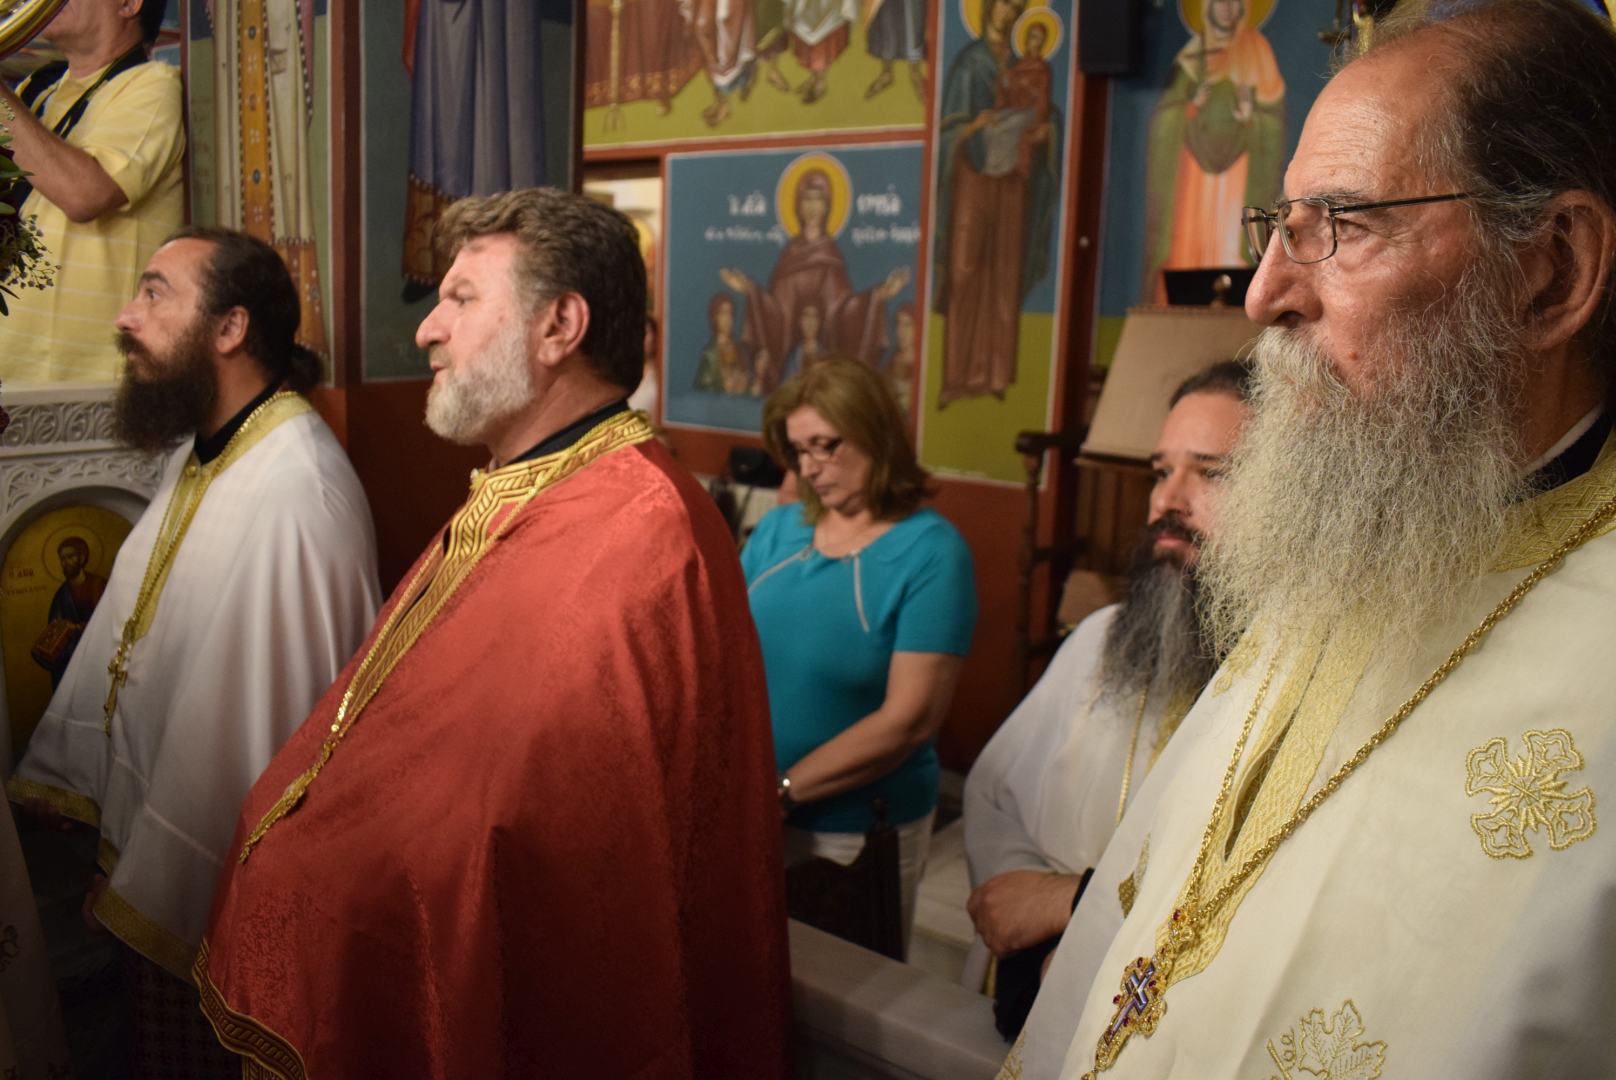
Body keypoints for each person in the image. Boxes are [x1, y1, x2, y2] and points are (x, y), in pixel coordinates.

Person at [1007, 2, 1616, 1076]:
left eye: (1341, 227)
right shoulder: (1351, 543)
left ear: (1552, 269)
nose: (1263, 295)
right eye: (1278, 228)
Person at [197, 188, 791, 1078]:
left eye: (462, 299)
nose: (427, 330)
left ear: (559, 327)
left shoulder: (634, 532)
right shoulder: (539, 485)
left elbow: (553, 830)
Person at [7, 226, 380, 1077]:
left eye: (154, 293)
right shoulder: (206, 451)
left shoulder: (295, 490)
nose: (125, 316)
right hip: (147, 855)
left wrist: (154, 872)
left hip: (222, 909)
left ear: (230, 328)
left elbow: (260, 733)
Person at [963, 361, 1250, 1043]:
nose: (1167, 501)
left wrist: (1078, 905)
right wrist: (1035, 928)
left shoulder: (1289, 681)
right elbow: (995, 799)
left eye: (1211, 474)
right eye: (1161, 471)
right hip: (1029, 987)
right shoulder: (1099, 640)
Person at [744, 356, 977, 950]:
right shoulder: (779, 530)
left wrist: (782, 791)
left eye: (826, 445)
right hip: (753, 811)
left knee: (848, 987)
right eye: (799, 450)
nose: (810, 468)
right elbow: (729, 653)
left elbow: (908, 721)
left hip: (856, 826)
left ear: (875, 434)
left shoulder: (931, 552)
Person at [0, 0, 184, 384]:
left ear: (129, 4)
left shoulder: (152, 85)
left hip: (86, 385)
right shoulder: (37, 89)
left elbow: (85, 195)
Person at [932, 0, 1060, 407]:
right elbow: (947, 130)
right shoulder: (969, 63)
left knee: (1004, 271)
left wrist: (1046, 133)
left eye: (1017, 6)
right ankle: (957, 376)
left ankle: (995, 374)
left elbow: (1045, 114)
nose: (1010, 12)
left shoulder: (1025, 64)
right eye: (1005, 3)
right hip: (972, 180)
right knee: (966, 269)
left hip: (1012, 181)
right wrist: (973, 126)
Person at [1140, 0, 1285, 302]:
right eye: (1220, 0)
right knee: (1188, 240)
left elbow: (1274, 120)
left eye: (1235, 1)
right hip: (1192, 176)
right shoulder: (1192, 55)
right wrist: (1190, 106)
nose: (1227, 7)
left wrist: (1251, 116)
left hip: (1240, 175)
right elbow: (1164, 118)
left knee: (1232, 240)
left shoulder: (1258, 52)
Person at [720, 167, 910, 391]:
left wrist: (878, 295)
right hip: (793, 362)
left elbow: (842, 311)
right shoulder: (789, 255)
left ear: (827, 206)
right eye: (807, 199)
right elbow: (778, 312)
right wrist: (750, 290)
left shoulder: (832, 257)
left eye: (818, 200)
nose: (812, 207)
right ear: (798, 206)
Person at [31, 536, 109, 687]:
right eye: (62, 558)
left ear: (81, 558)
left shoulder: (98, 585)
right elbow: (54, 627)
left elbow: (108, 619)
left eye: (70, 556)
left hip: (98, 653)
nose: (66, 562)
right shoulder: (61, 595)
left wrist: (77, 628)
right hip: (71, 660)